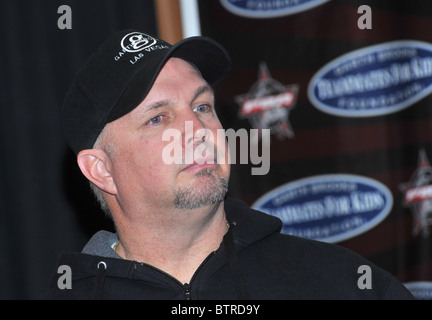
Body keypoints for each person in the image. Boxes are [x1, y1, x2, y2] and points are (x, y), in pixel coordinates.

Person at [44, 29, 413, 299]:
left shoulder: (339, 282)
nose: (198, 129)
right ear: (101, 170)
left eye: (202, 106)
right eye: (158, 118)